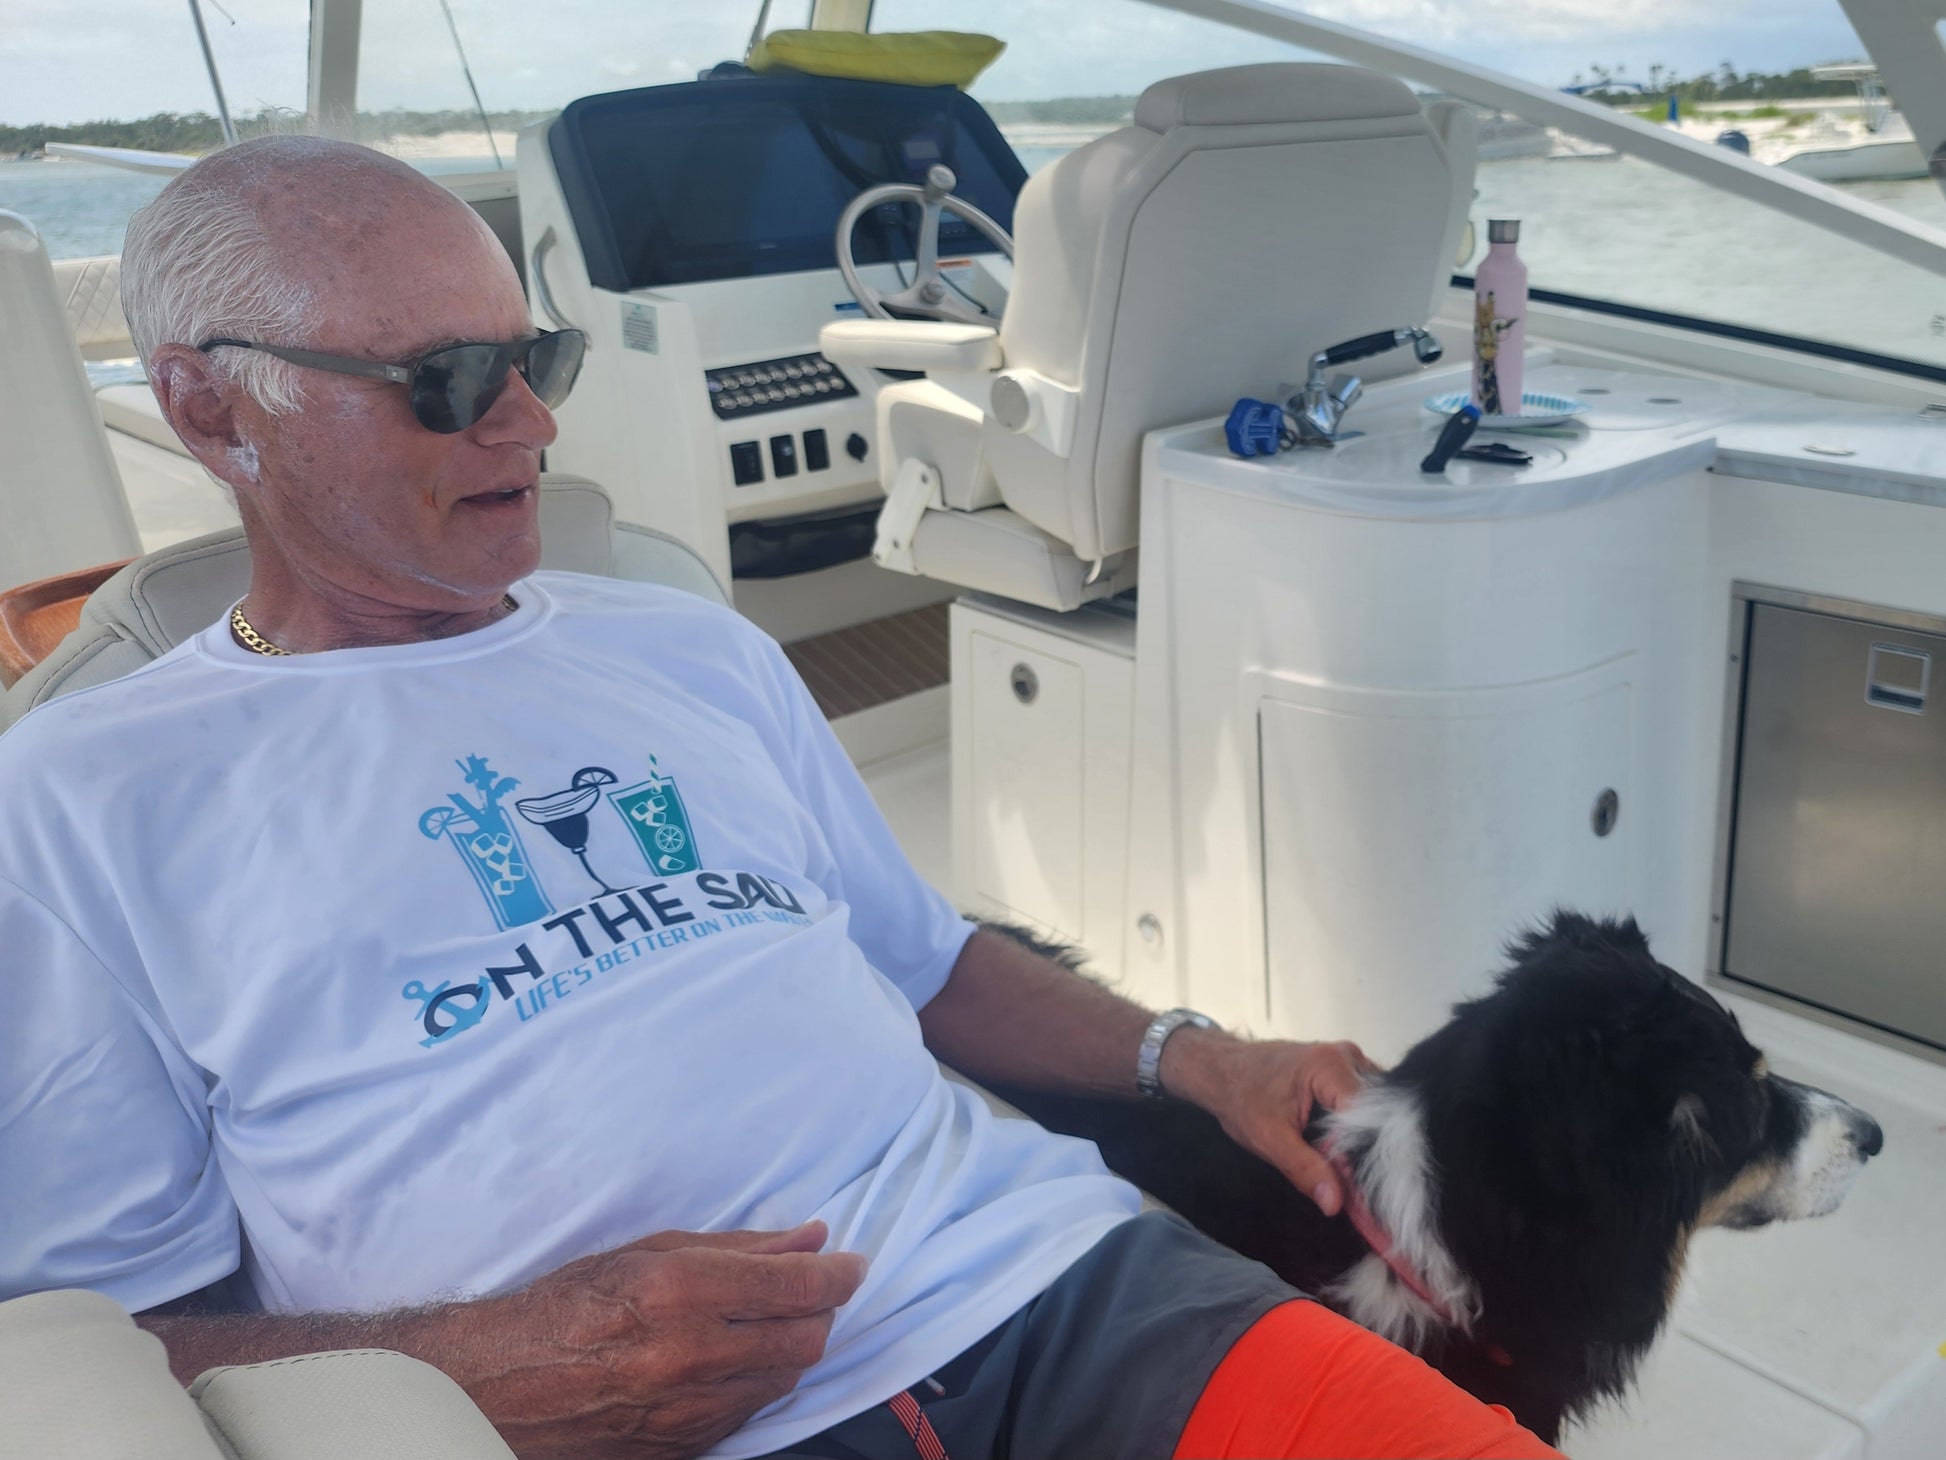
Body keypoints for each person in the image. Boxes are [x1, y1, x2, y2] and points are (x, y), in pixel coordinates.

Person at [0, 137, 1559, 1460]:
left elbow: (924, 959)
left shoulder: (684, 643)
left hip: (1065, 1279)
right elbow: (106, 1336)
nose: (531, 424)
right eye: (448, 380)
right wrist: (480, 1362)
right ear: (213, 412)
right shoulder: (81, 799)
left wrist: (1195, 1058)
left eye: (536, 360)